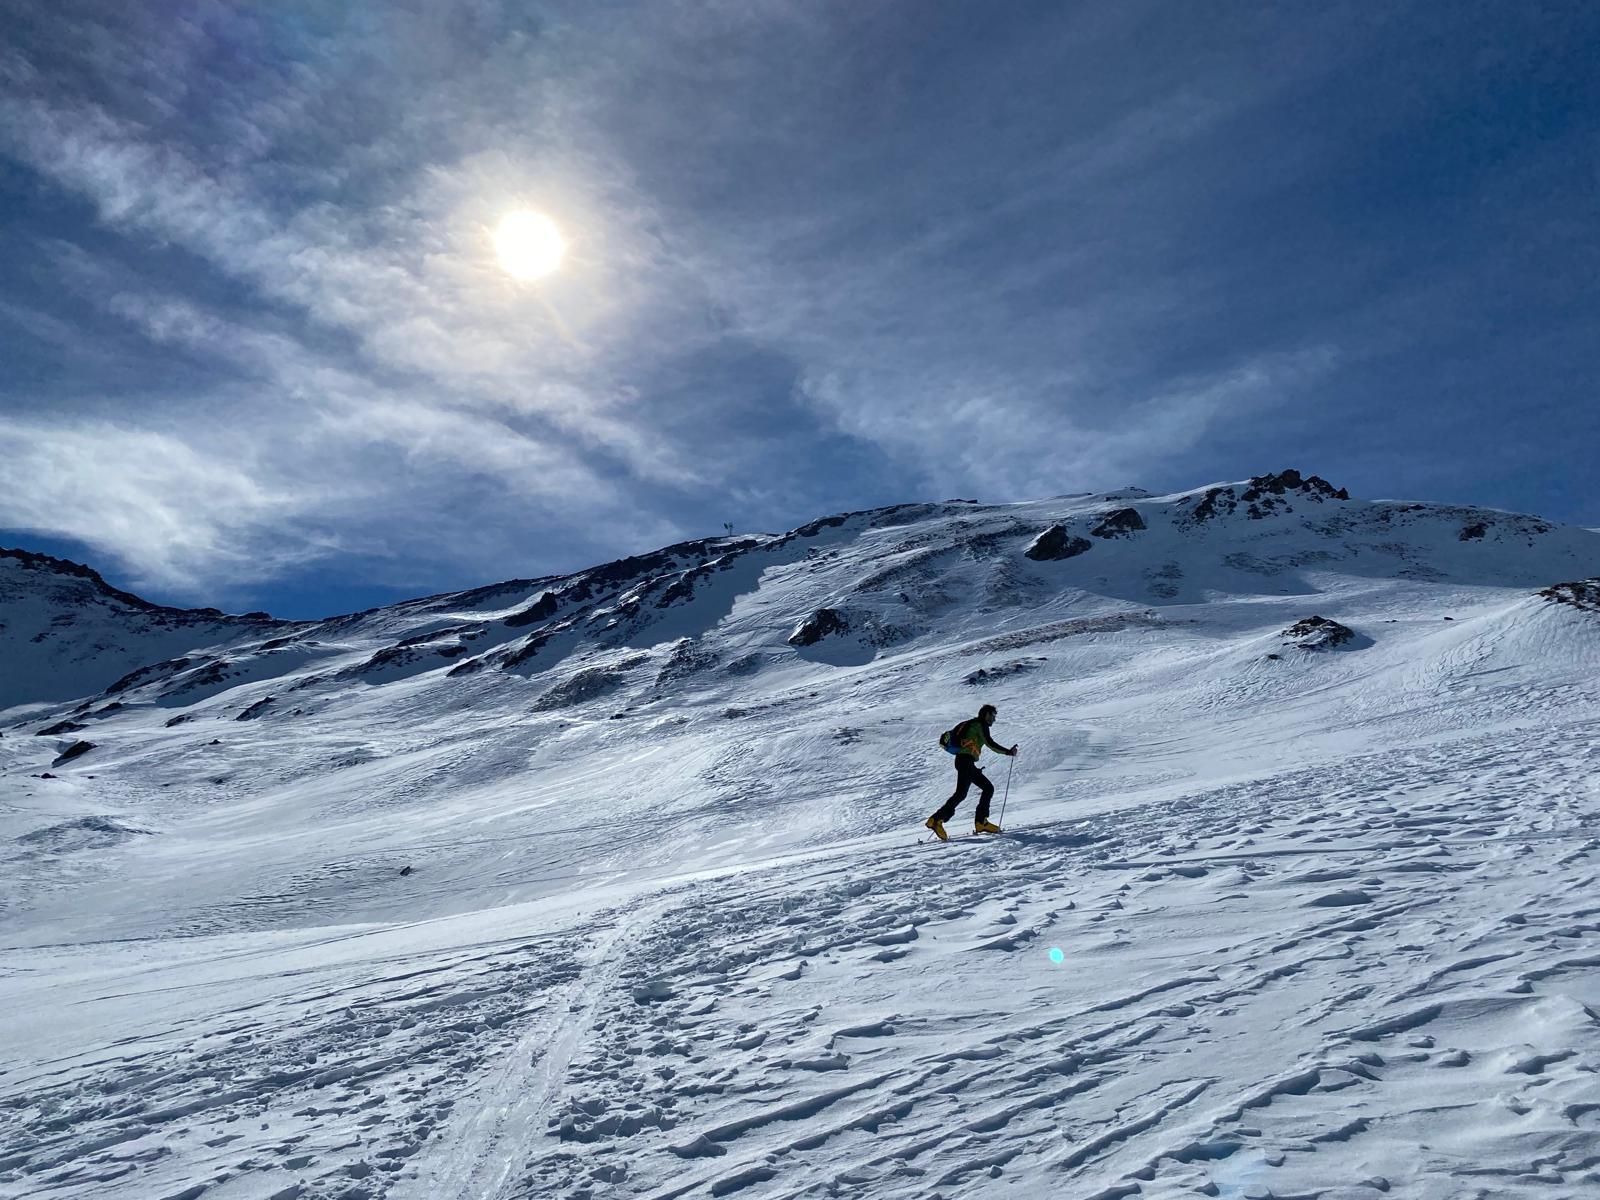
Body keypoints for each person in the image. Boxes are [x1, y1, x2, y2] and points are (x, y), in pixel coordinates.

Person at [925, 703, 1018, 840]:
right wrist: (1008, 752)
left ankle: (980, 822)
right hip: (965, 761)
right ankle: (936, 820)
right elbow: (990, 743)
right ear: (986, 714)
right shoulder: (981, 725)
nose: (994, 719)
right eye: (993, 715)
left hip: (965, 761)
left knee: (984, 788)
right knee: (963, 793)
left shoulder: (973, 724)